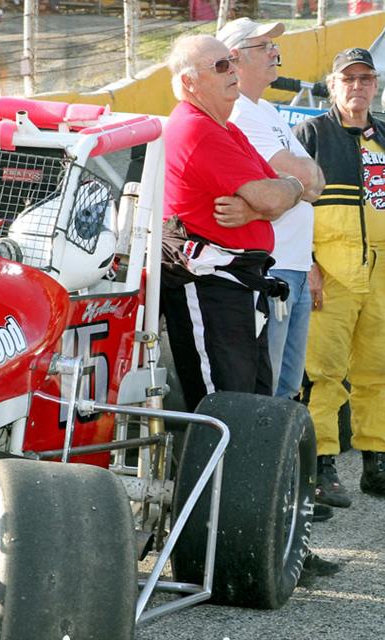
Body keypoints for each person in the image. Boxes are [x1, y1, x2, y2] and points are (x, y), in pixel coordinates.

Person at [293, 47, 385, 506]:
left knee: (379, 372)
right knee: (324, 372)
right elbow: (292, 206)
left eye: (366, 79)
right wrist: (305, 262)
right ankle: (321, 465)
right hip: (332, 270)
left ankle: (375, 462)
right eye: (349, 79)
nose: (358, 87)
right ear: (333, 84)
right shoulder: (310, 134)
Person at [160, 34, 305, 414]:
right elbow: (277, 195)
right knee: (223, 411)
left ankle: (240, 476)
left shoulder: (225, 127)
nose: (233, 72)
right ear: (190, 82)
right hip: (211, 287)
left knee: (252, 404)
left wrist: (264, 203)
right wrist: (281, 192)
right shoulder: (198, 128)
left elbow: (282, 191)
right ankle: (218, 477)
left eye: (232, 62)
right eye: (221, 65)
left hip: (236, 285)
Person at [218, 18, 325, 403]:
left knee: (287, 388)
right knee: (271, 388)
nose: (274, 53)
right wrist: (301, 183)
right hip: (271, 268)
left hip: (292, 266)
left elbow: (316, 182)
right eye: (263, 47)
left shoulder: (267, 111)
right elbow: (305, 180)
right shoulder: (242, 115)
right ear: (235, 59)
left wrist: (298, 184)